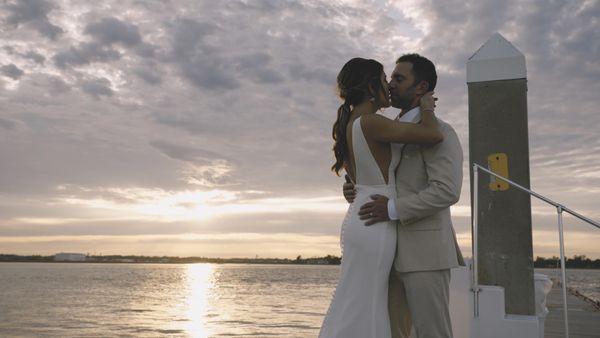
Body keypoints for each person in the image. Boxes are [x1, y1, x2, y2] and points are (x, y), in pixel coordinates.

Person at [318, 57, 443, 338]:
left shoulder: (349, 123)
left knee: (359, 299)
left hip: (362, 214)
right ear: (371, 85)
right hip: (375, 220)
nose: (389, 85)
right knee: (366, 301)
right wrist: (427, 108)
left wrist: (350, 188)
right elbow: (432, 134)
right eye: (385, 78)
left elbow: (359, 176)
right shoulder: (372, 122)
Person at [344, 54, 465, 338]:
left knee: (431, 333)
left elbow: (447, 190)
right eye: (390, 77)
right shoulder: (392, 131)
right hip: (384, 250)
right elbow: (382, 178)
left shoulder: (442, 133)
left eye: (399, 78)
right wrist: (358, 190)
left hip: (425, 254)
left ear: (421, 87)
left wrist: (392, 209)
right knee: (392, 332)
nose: (390, 84)